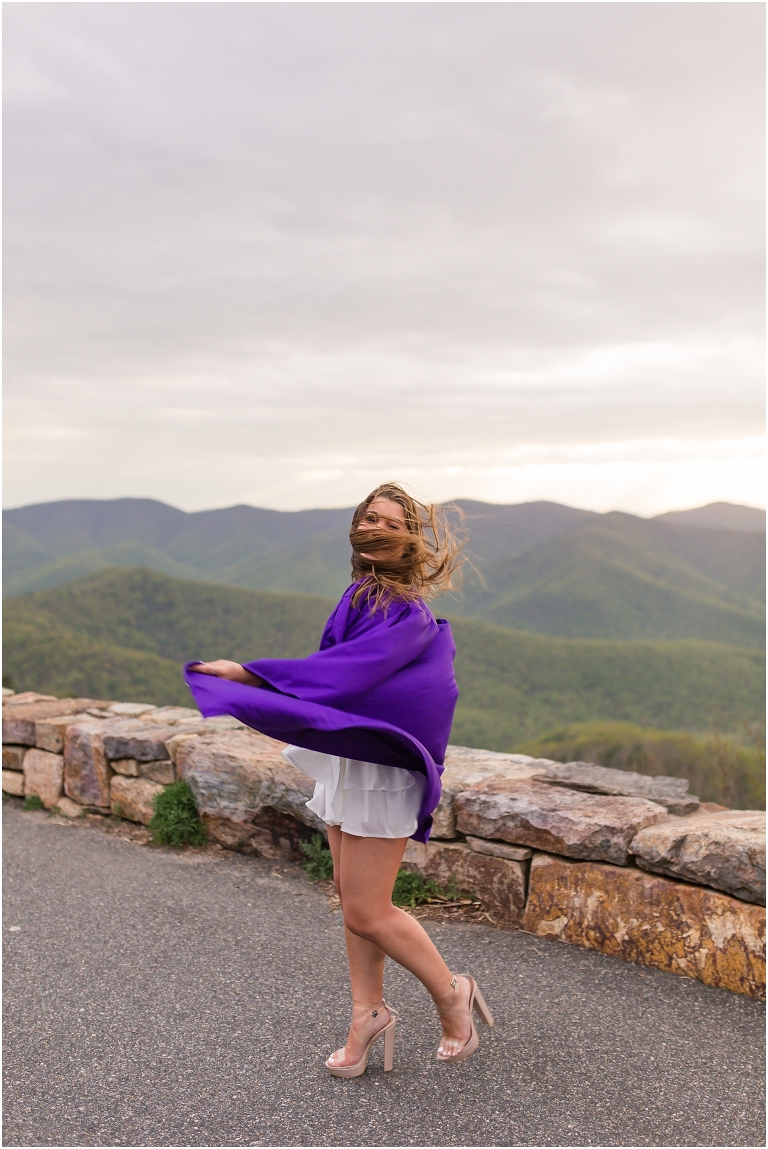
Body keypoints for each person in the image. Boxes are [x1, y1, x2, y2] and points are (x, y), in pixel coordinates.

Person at [185, 482, 493, 1077]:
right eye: (368, 518)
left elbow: (344, 674)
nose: (376, 528)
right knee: (355, 906)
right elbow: (334, 674)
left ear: (411, 540)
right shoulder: (360, 594)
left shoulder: (405, 610)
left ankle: (452, 993)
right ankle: (366, 1014)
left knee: (370, 911)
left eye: (391, 522)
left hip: (382, 769)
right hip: (354, 764)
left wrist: (248, 677)